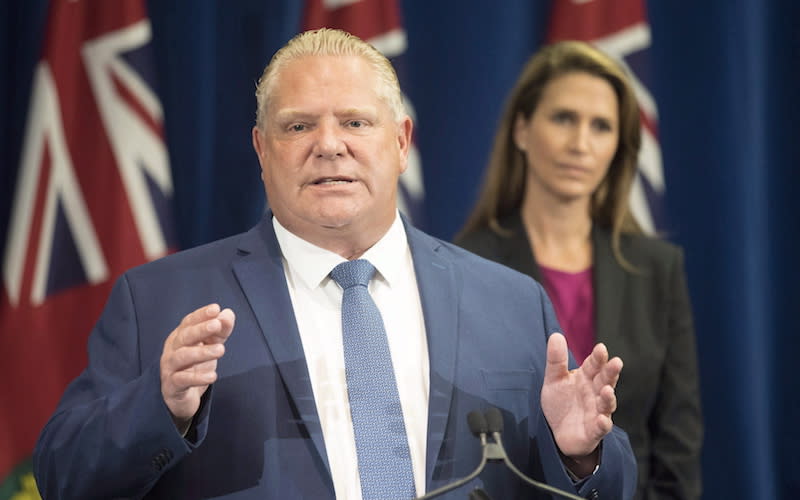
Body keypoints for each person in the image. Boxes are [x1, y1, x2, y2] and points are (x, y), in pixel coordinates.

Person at [33, 29, 637, 500]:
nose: (329, 144)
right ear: (262, 150)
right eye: (299, 125)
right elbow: (64, 477)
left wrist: (577, 454)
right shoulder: (160, 300)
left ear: (400, 142)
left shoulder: (508, 303)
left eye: (354, 122)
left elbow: (611, 489)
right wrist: (158, 408)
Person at [455, 41, 703, 499]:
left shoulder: (658, 269)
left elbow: (677, 447)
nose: (580, 144)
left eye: (601, 126)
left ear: (618, 148)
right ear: (523, 130)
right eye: (564, 118)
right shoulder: (465, 265)